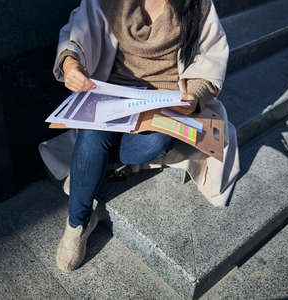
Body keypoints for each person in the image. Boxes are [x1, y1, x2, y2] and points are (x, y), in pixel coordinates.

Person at [43, 0, 240, 272]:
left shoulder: (199, 5)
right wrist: (70, 67)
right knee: (91, 132)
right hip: (112, 92)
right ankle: (78, 221)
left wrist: (193, 96)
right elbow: (76, 32)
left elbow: (210, 57)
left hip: (166, 100)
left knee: (155, 142)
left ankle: (88, 169)